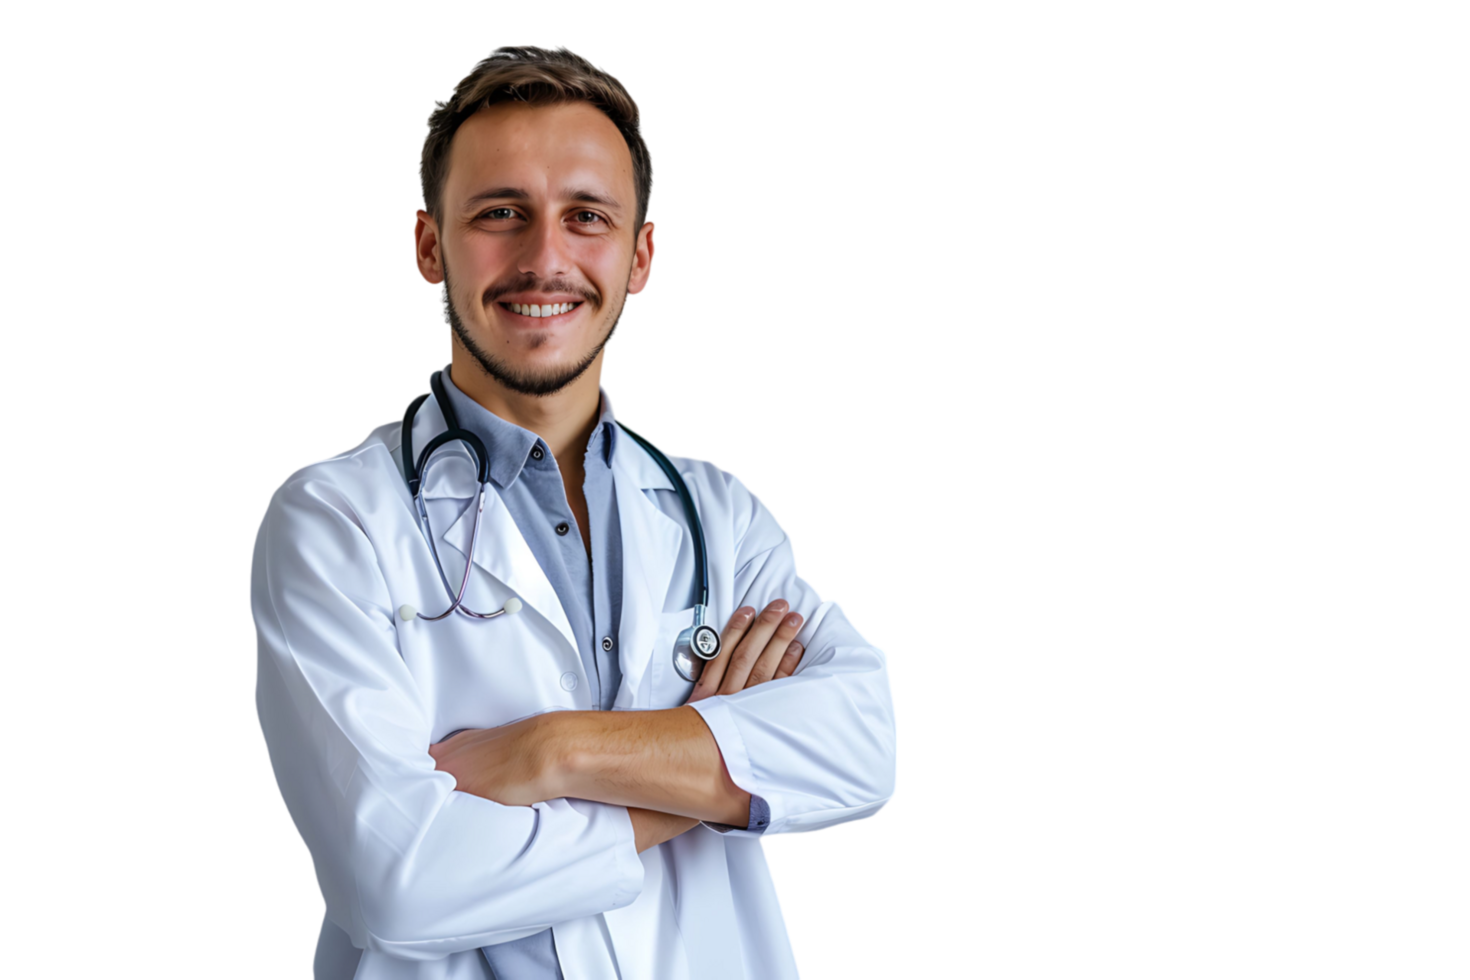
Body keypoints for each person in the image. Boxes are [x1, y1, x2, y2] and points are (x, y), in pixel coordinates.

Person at [249, 44, 899, 980]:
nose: (544, 258)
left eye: (585, 217)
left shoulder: (719, 514)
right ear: (429, 244)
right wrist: (707, 779)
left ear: (641, 257)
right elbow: (394, 881)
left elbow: (866, 743)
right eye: (499, 213)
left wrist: (552, 751)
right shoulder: (331, 521)